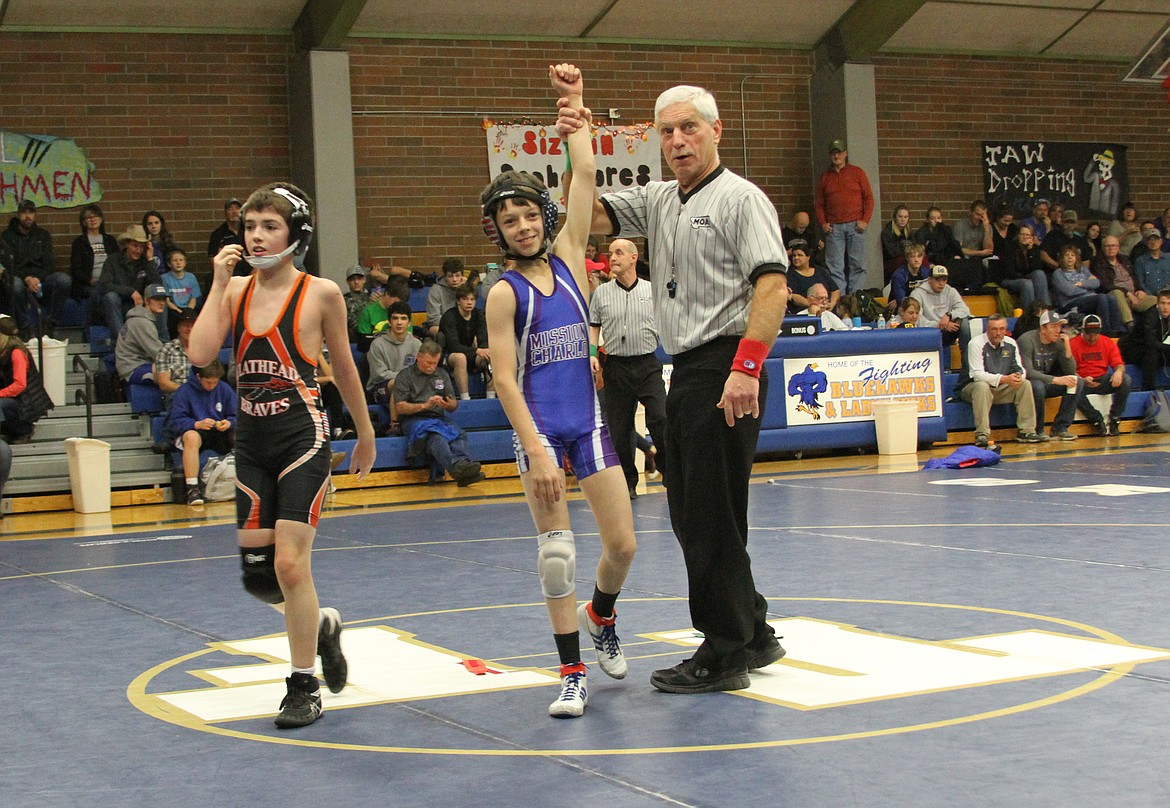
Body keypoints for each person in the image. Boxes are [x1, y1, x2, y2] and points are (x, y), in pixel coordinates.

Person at [559, 75, 788, 694]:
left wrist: (746, 367)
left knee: (708, 514)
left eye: (691, 127)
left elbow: (773, 287)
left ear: (717, 130)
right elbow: (587, 209)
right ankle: (754, 630)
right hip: (685, 368)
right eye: (668, 131)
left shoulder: (742, 199)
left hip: (723, 366)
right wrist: (578, 133)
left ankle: (723, 653)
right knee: (697, 512)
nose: (679, 140)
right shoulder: (662, 199)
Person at [187, 181, 376, 729]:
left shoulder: (321, 294)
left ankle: (302, 685)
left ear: (296, 235)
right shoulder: (235, 290)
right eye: (250, 227)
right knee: (259, 577)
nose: (257, 237)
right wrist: (219, 280)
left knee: (291, 564)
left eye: (270, 226)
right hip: (252, 441)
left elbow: (343, 367)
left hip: (302, 436)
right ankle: (320, 626)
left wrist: (363, 433)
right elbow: (200, 353)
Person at [486, 64, 637, 717]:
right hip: (541, 436)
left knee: (623, 546)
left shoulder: (573, 255)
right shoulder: (501, 293)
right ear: (497, 231)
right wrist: (536, 451)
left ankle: (601, 615)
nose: (520, 225)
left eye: (527, 213)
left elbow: (584, 176)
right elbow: (501, 378)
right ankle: (571, 671)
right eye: (508, 219)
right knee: (556, 559)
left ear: (542, 217)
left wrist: (574, 104)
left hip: (590, 424)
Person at [588, 237, 667, 498]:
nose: (612, 258)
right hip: (617, 367)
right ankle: (627, 482)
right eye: (610, 253)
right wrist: (592, 353)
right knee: (620, 430)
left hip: (646, 363)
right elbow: (594, 326)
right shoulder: (601, 293)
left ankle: (671, 472)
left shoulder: (652, 290)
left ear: (633, 257)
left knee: (662, 417)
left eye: (619, 253)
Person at [393, 339, 485, 485]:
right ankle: (455, 468)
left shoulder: (441, 374)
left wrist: (448, 404)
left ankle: (464, 466)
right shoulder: (405, 376)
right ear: (419, 357)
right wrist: (424, 406)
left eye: (435, 363)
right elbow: (400, 407)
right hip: (413, 419)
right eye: (428, 363)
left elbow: (453, 403)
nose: (431, 367)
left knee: (459, 433)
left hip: (438, 418)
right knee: (437, 436)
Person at [957, 313, 1045, 448]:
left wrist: (1017, 377)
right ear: (987, 329)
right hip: (971, 388)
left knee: (1025, 384)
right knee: (981, 386)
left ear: (1006, 329)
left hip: (1000, 387)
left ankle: (1027, 432)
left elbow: (1020, 369)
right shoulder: (976, 343)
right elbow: (977, 375)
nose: (998, 333)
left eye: (1001, 329)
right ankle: (982, 434)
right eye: (994, 329)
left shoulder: (1011, 343)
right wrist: (1005, 379)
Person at [167, 359, 237, 505]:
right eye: (208, 382)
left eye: (215, 382)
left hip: (219, 434)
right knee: (191, 436)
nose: (212, 386)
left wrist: (229, 422)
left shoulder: (224, 389)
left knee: (239, 432)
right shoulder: (184, 392)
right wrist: (196, 424)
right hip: (196, 432)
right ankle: (192, 489)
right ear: (198, 377)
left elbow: (238, 416)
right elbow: (174, 423)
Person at [815, 139, 873, 294]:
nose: (836, 155)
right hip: (833, 228)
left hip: (856, 226)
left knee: (858, 266)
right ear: (830, 155)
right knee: (835, 267)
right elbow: (819, 204)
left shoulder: (857, 173)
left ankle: (854, 301)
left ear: (845, 154)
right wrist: (823, 224)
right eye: (833, 153)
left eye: (839, 152)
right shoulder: (825, 177)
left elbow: (869, 199)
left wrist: (865, 221)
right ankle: (839, 302)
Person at [1, 200, 66, 335]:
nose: (28, 216)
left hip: (40, 280)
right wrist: (27, 278)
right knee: (15, 285)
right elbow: (8, 264)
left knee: (63, 280)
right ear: (18, 215)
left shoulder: (43, 235)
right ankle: (25, 326)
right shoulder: (6, 236)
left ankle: (49, 323)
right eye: (24, 212)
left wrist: (37, 278)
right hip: (19, 278)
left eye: (31, 212)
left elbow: (49, 263)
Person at [1017, 310, 1084, 441]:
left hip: (1045, 382)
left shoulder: (1058, 342)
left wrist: (1067, 348)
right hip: (1026, 384)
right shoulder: (1026, 340)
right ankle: (1038, 430)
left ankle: (1061, 428)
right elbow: (1028, 372)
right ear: (1043, 328)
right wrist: (1055, 379)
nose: (1057, 330)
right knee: (1038, 386)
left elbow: (1070, 371)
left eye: (1059, 326)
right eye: (1053, 327)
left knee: (1076, 381)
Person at [1070, 314, 1131, 436]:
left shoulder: (1107, 342)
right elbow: (1068, 370)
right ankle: (1096, 419)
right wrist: (1082, 379)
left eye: (1095, 333)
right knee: (1073, 385)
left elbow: (1118, 363)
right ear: (1082, 330)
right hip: (1082, 380)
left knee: (1126, 380)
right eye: (1089, 333)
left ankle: (1115, 417)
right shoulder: (1073, 344)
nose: (1092, 337)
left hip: (1101, 378)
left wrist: (1118, 372)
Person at [366, 300, 420, 433]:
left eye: (403, 318)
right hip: (380, 387)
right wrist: (405, 377)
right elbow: (379, 375)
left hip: (410, 384)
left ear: (409, 322)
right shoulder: (377, 344)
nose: (399, 322)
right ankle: (394, 425)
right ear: (389, 322)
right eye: (395, 318)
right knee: (397, 383)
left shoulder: (417, 344)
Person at [99, 224, 160, 338]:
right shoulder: (113, 260)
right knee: (110, 297)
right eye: (135, 246)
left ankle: (161, 339)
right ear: (127, 244)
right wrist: (130, 292)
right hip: (118, 305)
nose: (138, 250)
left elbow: (157, 286)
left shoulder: (145, 261)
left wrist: (150, 260)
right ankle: (121, 340)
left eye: (142, 247)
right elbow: (105, 285)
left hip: (139, 305)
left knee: (160, 297)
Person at [0, 316, 54, 443]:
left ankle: (23, 430)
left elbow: (20, 385)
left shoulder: (16, 353)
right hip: (14, 400)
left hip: (25, 404)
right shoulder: (3, 352)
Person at [1051, 244, 1121, 335]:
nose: (1070, 258)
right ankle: (1105, 331)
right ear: (1062, 258)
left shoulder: (1083, 270)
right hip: (1071, 302)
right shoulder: (1058, 273)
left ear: (1076, 258)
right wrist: (1088, 287)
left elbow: (1097, 283)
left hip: (1090, 298)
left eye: (1072, 255)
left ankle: (1116, 329)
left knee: (1111, 298)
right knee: (1101, 298)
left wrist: (1081, 284)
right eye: (1067, 255)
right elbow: (1069, 291)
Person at [438, 283, 493, 399]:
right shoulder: (449, 316)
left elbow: (483, 340)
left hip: (471, 352)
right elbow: (453, 346)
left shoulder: (478, 315)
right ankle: (465, 398)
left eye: (472, 299)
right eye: (465, 299)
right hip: (449, 355)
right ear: (458, 301)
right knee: (460, 358)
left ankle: (491, 396)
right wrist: (477, 350)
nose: (469, 302)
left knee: (490, 355)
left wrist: (484, 351)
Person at [1093, 234, 1151, 331]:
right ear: (1102, 248)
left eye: (1113, 245)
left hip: (1133, 297)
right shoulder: (1097, 262)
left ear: (1118, 247)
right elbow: (1105, 285)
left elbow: (1134, 277)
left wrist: (1139, 289)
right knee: (1117, 292)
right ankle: (1130, 325)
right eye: (1108, 246)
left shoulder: (1125, 260)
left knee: (1155, 300)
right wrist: (1127, 293)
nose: (1111, 248)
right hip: (1115, 297)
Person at [114, 284, 168, 385]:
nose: (161, 303)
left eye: (163, 299)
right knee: (171, 375)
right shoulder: (142, 322)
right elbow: (158, 354)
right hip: (132, 369)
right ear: (147, 301)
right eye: (157, 299)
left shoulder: (140, 318)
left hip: (136, 365)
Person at [68, 204, 119, 310]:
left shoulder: (110, 240)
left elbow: (118, 261)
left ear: (101, 219)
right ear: (83, 222)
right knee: (97, 291)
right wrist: (89, 280)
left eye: (96, 216)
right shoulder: (79, 242)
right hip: (88, 284)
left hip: (109, 282)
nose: (93, 219)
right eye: (89, 217)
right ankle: (91, 324)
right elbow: (75, 268)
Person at [910, 265, 971, 346]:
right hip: (929, 332)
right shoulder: (917, 294)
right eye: (937, 279)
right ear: (929, 279)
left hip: (948, 330)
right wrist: (939, 325)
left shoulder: (950, 291)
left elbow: (965, 310)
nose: (941, 283)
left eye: (944, 280)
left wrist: (949, 315)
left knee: (964, 323)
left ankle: (966, 358)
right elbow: (917, 319)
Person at [994, 224, 1050, 308]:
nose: (1024, 237)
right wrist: (1024, 277)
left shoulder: (1034, 249)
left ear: (1032, 237)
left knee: (1039, 274)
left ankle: (1045, 308)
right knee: (1027, 283)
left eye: (1027, 235)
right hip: (1009, 279)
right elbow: (1010, 272)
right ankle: (1029, 313)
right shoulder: (1010, 248)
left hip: (1025, 277)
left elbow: (1037, 268)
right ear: (1018, 236)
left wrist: (1030, 252)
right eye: (1022, 234)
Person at [354, 276, 411, 350]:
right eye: (395, 302)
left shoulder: (404, 311)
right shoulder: (368, 312)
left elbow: (408, 339)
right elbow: (363, 344)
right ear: (386, 294)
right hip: (375, 352)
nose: (398, 307)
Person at [155, 308, 198, 405]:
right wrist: (187, 391)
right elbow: (163, 383)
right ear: (178, 328)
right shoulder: (166, 349)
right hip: (176, 394)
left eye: (193, 325)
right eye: (186, 325)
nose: (190, 329)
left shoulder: (204, 349)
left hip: (201, 394)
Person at [784, 242, 837, 314]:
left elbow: (835, 290)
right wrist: (814, 305)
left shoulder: (820, 271)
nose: (796, 258)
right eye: (794, 256)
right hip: (802, 313)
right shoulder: (789, 274)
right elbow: (792, 296)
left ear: (808, 257)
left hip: (826, 311)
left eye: (800, 255)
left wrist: (832, 304)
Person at [160, 248, 202, 335]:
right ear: (169, 264)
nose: (178, 263)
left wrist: (187, 311)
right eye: (175, 260)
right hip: (174, 309)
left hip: (188, 308)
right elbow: (167, 301)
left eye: (181, 260)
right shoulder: (164, 278)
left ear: (185, 263)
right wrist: (179, 312)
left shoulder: (191, 277)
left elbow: (193, 298)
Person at [426, 258, 467, 339]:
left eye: (457, 276)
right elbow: (434, 319)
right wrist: (454, 326)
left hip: (461, 326)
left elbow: (469, 314)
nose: (454, 279)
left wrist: (462, 291)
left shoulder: (466, 290)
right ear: (445, 277)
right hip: (440, 326)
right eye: (450, 276)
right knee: (440, 333)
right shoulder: (436, 290)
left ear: (462, 276)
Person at [1140, 289, 1170, 389]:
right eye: (1163, 303)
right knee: (1152, 354)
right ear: (1157, 304)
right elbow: (1150, 341)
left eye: (1169, 304)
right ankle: (1148, 389)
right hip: (1138, 349)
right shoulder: (1150, 315)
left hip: (1160, 348)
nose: (1166, 307)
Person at [888, 242, 930, 306]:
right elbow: (901, 299)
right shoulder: (898, 275)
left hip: (921, 305)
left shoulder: (926, 272)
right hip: (903, 307)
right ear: (907, 258)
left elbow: (929, 295)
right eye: (912, 257)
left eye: (919, 256)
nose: (916, 260)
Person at [206, 198, 245, 265]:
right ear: (225, 213)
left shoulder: (248, 230)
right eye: (230, 209)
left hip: (250, 272)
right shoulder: (217, 234)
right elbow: (213, 258)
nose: (234, 211)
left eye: (237, 208)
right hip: (228, 271)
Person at [880, 204, 913, 280]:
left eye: (905, 217)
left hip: (907, 259)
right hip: (891, 263)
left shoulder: (909, 232)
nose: (903, 219)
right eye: (900, 216)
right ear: (895, 217)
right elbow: (891, 253)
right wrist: (903, 245)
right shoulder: (887, 232)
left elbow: (914, 248)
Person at [142, 210, 179, 277]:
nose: (153, 226)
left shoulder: (169, 245)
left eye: (156, 223)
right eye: (150, 224)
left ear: (161, 224)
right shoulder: (142, 246)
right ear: (145, 226)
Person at [1135, 231, 1170, 297]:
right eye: (1150, 239)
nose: (1153, 242)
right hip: (1149, 297)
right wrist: (1151, 297)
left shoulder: (1169, 258)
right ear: (1146, 242)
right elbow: (1141, 283)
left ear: (1161, 241)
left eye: (1156, 239)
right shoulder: (1140, 261)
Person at [343, 265, 371, 340]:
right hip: (352, 338)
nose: (356, 282)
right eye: (352, 279)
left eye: (359, 278)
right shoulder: (343, 300)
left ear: (364, 280)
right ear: (347, 281)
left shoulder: (371, 298)